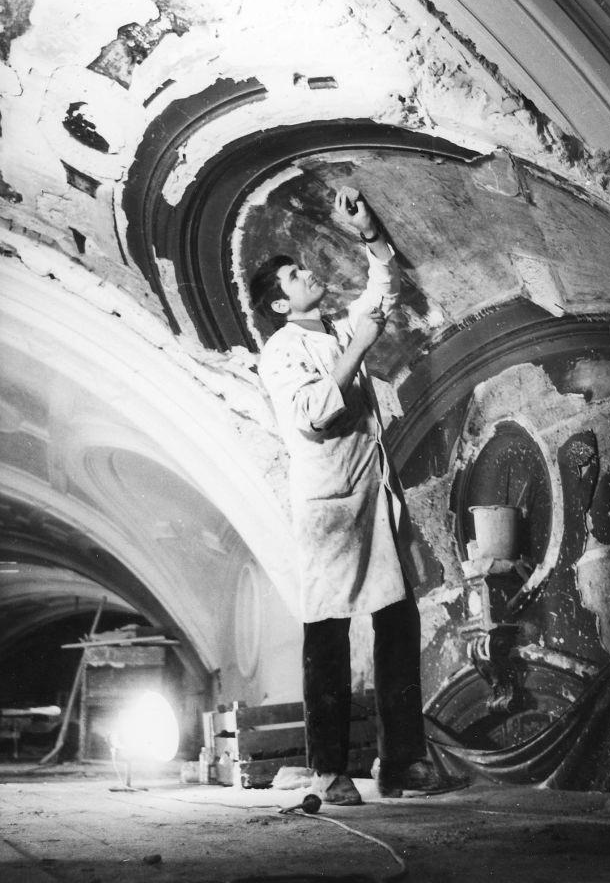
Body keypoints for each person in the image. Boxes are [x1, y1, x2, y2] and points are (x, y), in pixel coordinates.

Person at [250, 187, 438, 806]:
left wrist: (370, 231)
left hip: (370, 494)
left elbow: (383, 294)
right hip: (329, 510)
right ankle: (327, 770)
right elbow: (313, 415)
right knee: (327, 633)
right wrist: (359, 349)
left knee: (397, 616)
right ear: (281, 302)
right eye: (297, 275)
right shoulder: (280, 353)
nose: (309, 273)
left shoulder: (332, 328)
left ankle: (401, 762)